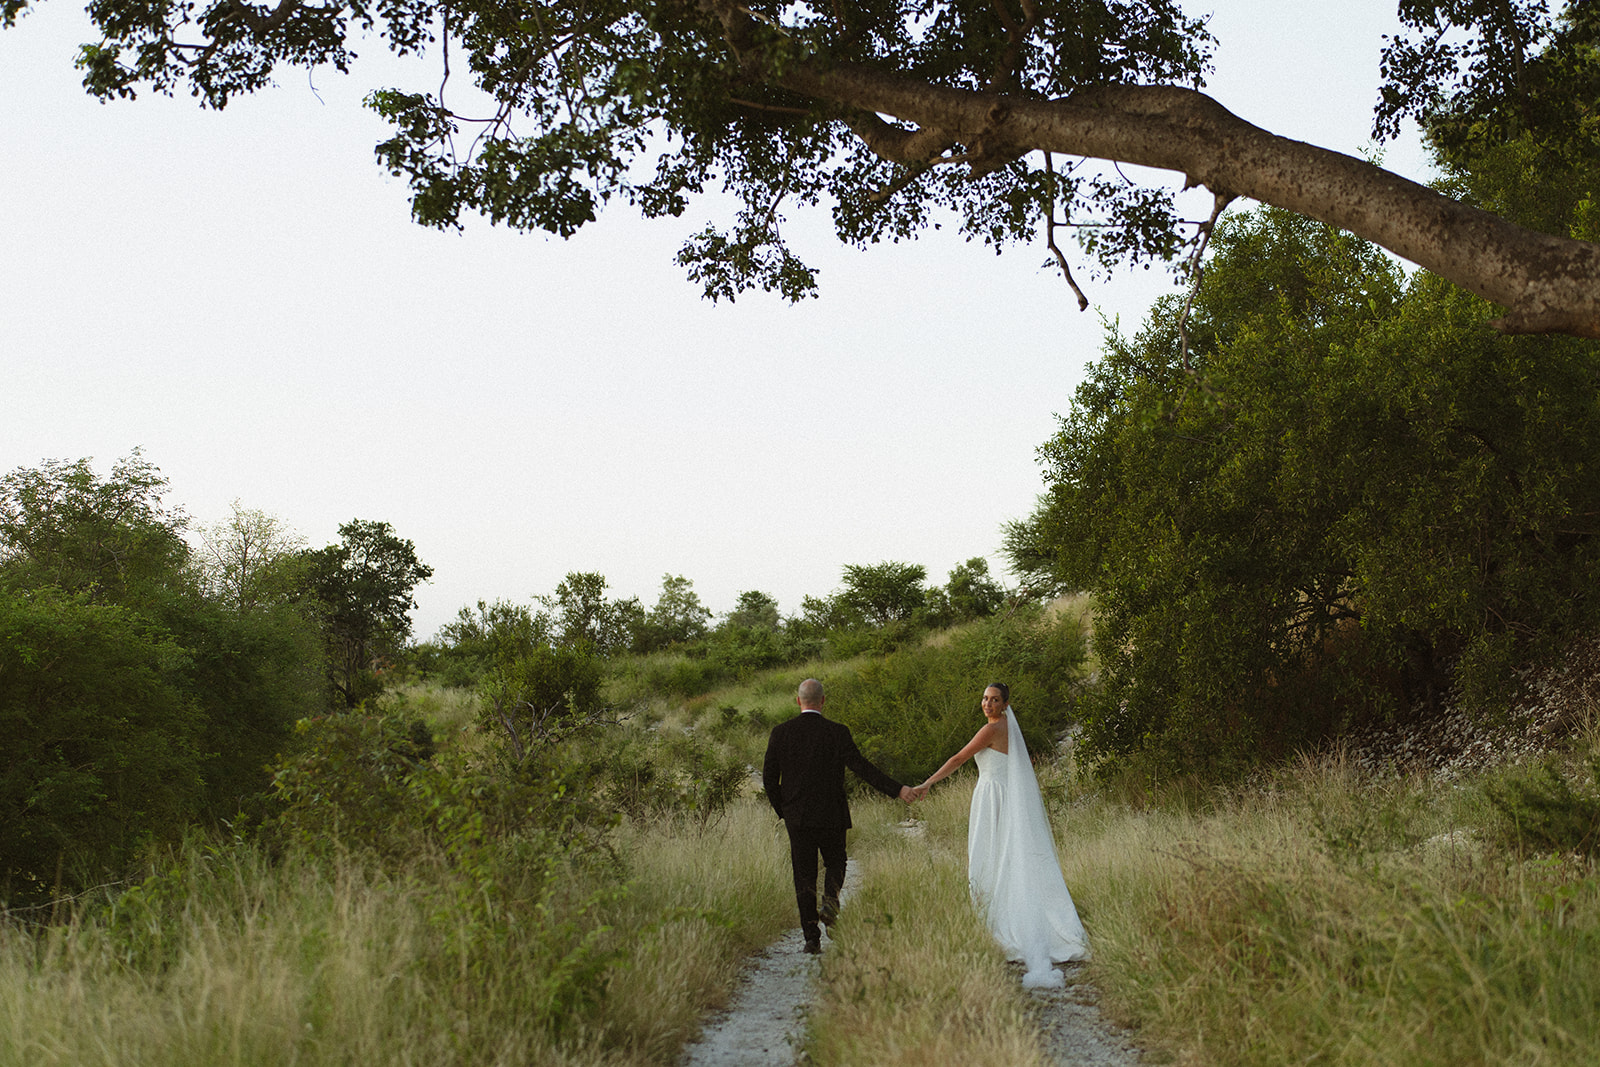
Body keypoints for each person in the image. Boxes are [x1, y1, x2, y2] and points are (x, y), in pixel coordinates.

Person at [914, 682, 1089, 988]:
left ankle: (1003, 922)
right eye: (984, 698)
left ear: (1006, 704)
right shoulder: (1005, 727)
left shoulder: (992, 729)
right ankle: (1007, 914)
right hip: (1002, 795)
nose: (988, 704)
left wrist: (927, 784)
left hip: (994, 798)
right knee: (1005, 857)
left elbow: (958, 759)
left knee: (992, 855)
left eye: (994, 700)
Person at [763, 677, 913, 954]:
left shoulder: (781, 732)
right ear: (822, 702)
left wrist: (783, 810)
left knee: (803, 876)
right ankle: (830, 899)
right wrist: (898, 790)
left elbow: (769, 778)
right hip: (831, 814)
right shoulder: (837, 732)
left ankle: (811, 939)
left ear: (798, 701)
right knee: (836, 862)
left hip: (798, 817)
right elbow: (862, 768)